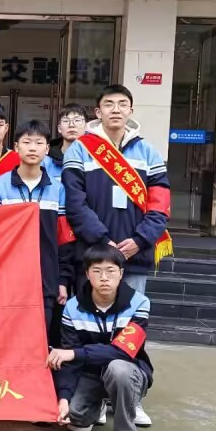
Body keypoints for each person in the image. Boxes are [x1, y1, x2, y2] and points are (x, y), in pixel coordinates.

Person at [62, 84, 170, 299]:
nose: (116, 110)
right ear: (98, 112)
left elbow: (160, 204)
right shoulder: (79, 149)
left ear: (131, 110)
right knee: (89, 317)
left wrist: (140, 240)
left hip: (135, 256)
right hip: (92, 255)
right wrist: (101, 240)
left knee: (131, 317)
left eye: (122, 104)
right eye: (109, 104)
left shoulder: (148, 152)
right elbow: (74, 203)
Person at [48, 244, 153, 431]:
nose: (104, 278)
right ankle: (97, 405)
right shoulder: (72, 307)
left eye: (110, 271)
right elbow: (68, 358)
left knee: (118, 369)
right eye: (97, 271)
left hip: (129, 371)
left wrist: (76, 353)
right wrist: (63, 398)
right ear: (87, 274)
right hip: (90, 373)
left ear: (121, 273)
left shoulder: (139, 303)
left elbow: (123, 352)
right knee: (74, 416)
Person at [0, 121, 77, 341]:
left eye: (39, 143)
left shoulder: (58, 190)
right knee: (5, 340)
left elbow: (64, 241)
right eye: (26, 142)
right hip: (6, 280)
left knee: (40, 340)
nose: (32, 148)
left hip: (46, 279)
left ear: (47, 149)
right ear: (16, 147)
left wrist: (63, 280)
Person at [48, 103, 88, 181]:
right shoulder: (47, 157)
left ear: (86, 127)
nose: (71, 125)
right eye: (66, 121)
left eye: (77, 120)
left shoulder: (95, 157)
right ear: (59, 128)